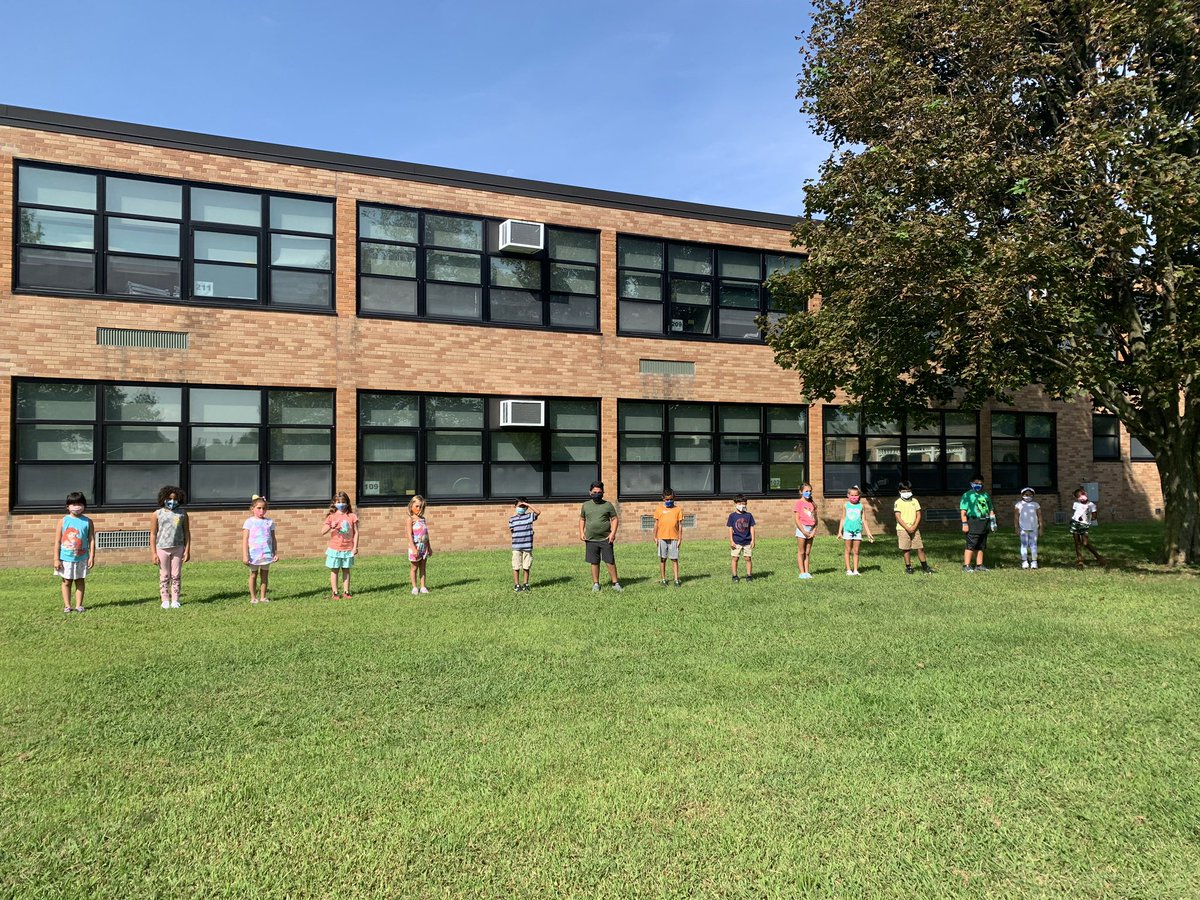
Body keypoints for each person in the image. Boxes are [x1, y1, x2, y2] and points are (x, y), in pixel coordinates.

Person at [150, 484, 191, 609]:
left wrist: (187, 550)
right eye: (169, 499)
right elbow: (153, 534)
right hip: (162, 548)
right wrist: (153, 553)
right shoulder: (157, 514)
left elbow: (186, 533)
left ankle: (175, 599)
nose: (172, 502)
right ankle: (165, 599)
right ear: (164, 499)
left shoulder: (182, 513)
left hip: (178, 548)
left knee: (176, 575)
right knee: (164, 575)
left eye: (175, 499)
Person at [53, 491, 95, 613]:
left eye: (80, 504)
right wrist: (56, 559)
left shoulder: (88, 521)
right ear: (67, 506)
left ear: (84, 506)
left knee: (80, 581)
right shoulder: (63, 521)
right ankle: (67, 606)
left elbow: (91, 539)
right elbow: (57, 541)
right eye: (73, 504)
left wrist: (91, 556)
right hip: (65, 558)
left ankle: (79, 605)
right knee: (66, 581)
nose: (77, 507)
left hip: (82, 558)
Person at [579, 481, 622, 592]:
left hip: (606, 539)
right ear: (590, 492)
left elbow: (614, 519)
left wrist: (613, 533)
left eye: (599, 492)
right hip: (591, 539)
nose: (597, 494)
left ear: (603, 492)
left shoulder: (607, 505)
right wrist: (581, 532)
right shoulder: (586, 505)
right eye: (594, 492)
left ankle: (615, 583)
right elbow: (582, 519)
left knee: (609, 561)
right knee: (594, 562)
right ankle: (596, 584)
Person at [322, 491, 359, 599]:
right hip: (335, 548)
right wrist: (331, 526)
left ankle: (346, 591)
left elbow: (356, 532)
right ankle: (335, 592)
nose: (341, 504)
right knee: (335, 570)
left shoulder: (352, 516)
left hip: (348, 549)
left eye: (343, 501)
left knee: (346, 570)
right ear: (334, 503)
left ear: (347, 503)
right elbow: (322, 531)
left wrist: (355, 546)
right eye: (338, 502)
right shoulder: (331, 516)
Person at [242, 495, 278, 604]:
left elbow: (273, 538)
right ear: (252, 509)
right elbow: (245, 540)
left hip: (266, 553)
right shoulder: (249, 522)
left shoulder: (269, 522)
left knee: (265, 575)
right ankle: (253, 597)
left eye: (264, 508)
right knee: (253, 574)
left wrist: (275, 552)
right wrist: (245, 555)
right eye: (259, 508)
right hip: (254, 554)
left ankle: (263, 597)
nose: (261, 510)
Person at [894, 481, 933, 574]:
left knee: (920, 547)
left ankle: (925, 566)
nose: (906, 493)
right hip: (902, 529)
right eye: (903, 491)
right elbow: (898, 516)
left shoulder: (915, 501)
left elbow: (918, 514)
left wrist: (914, 526)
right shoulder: (898, 502)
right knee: (906, 549)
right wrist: (907, 528)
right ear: (899, 491)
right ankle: (908, 567)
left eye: (908, 491)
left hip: (915, 528)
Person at [959, 475, 997, 572]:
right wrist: (964, 523)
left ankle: (979, 565)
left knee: (981, 545)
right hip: (973, 522)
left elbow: (991, 509)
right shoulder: (967, 495)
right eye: (976, 483)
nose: (978, 485)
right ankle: (966, 565)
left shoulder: (985, 495)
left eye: (980, 483)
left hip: (984, 522)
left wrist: (993, 523)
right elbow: (963, 512)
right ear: (971, 484)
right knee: (971, 544)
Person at [838, 485, 874, 576]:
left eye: (856, 495)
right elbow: (843, 518)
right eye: (852, 495)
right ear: (848, 496)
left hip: (857, 531)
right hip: (848, 531)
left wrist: (869, 533)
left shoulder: (861, 506)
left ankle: (855, 570)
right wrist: (839, 531)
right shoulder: (846, 505)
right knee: (847, 550)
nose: (854, 497)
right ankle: (848, 570)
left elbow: (864, 520)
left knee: (856, 551)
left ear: (859, 496)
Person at [653, 488, 684, 587]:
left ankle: (676, 579)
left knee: (674, 559)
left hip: (674, 538)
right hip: (662, 537)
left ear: (674, 498)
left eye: (671, 499)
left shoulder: (678, 510)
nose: (669, 501)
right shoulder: (659, 509)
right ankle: (663, 579)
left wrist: (680, 538)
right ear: (663, 499)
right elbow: (656, 523)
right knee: (663, 559)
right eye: (667, 500)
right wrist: (655, 536)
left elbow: (680, 525)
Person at [508, 497, 540, 592]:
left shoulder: (529, 516)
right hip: (516, 546)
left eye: (523, 506)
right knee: (516, 566)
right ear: (515, 506)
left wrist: (528, 505)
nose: (521, 508)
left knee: (526, 566)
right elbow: (512, 531)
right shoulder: (512, 519)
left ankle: (526, 583)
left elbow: (538, 512)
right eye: (519, 506)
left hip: (527, 547)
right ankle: (517, 584)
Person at [1070, 486, 1106, 567]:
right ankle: (1080, 560)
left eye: (1082, 495)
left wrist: (1090, 517)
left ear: (1086, 494)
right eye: (1078, 496)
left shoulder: (1091, 505)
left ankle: (1098, 557)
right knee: (1077, 542)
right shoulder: (1076, 504)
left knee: (1085, 543)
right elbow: (1076, 513)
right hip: (1075, 523)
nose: (1081, 497)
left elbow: (1094, 516)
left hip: (1084, 525)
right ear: (1077, 498)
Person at [727, 495, 756, 582]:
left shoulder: (749, 515)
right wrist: (731, 541)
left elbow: (752, 527)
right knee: (735, 558)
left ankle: (749, 575)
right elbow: (730, 528)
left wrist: (753, 540)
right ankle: (735, 576)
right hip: (736, 541)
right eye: (739, 503)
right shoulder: (732, 516)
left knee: (748, 558)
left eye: (744, 504)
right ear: (735, 504)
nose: (742, 505)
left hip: (747, 541)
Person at [406, 495, 431, 595]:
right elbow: (408, 534)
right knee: (414, 568)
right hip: (415, 547)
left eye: (420, 507)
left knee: (423, 567)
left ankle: (423, 586)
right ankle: (414, 587)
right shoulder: (410, 519)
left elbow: (426, 534)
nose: (418, 509)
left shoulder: (423, 519)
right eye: (416, 506)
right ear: (411, 505)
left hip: (423, 547)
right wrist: (413, 548)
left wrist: (429, 547)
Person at [1013, 487, 1043, 569]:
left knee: (1033, 545)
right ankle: (1024, 561)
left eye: (1030, 495)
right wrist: (1016, 528)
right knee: (1024, 545)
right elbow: (1016, 517)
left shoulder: (1036, 505)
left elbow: (1039, 516)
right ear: (1022, 495)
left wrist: (1041, 528)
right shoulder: (1018, 505)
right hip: (1023, 528)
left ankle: (1034, 561)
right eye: (1026, 495)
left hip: (1034, 528)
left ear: (1033, 495)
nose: (1028, 496)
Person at [793, 482, 818, 579]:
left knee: (807, 552)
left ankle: (807, 572)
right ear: (801, 492)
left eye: (810, 491)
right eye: (806, 491)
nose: (808, 493)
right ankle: (802, 572)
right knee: (801, 552)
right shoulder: (799, 503)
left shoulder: (812, 504)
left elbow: (816, 519)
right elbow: (797, 519)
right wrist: (803, 531)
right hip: (802, 529)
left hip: (811, 529)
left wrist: (814, 531)